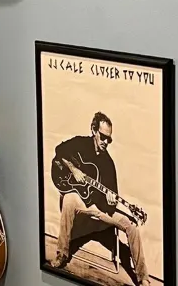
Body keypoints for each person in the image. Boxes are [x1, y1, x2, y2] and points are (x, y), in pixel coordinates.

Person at [48, 112, 152, 285]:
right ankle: (62, 255)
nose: (105, 142)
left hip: (99, 206)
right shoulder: (80, 143)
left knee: (132, 226)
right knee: (68, 200)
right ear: (94, 130)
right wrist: (73, 169)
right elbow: (59, 150)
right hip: (81, 200)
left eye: (109, 139)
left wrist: (110, 200)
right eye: (103, 137)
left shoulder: (108, 163)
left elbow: (110, 198)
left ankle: (143, 279)